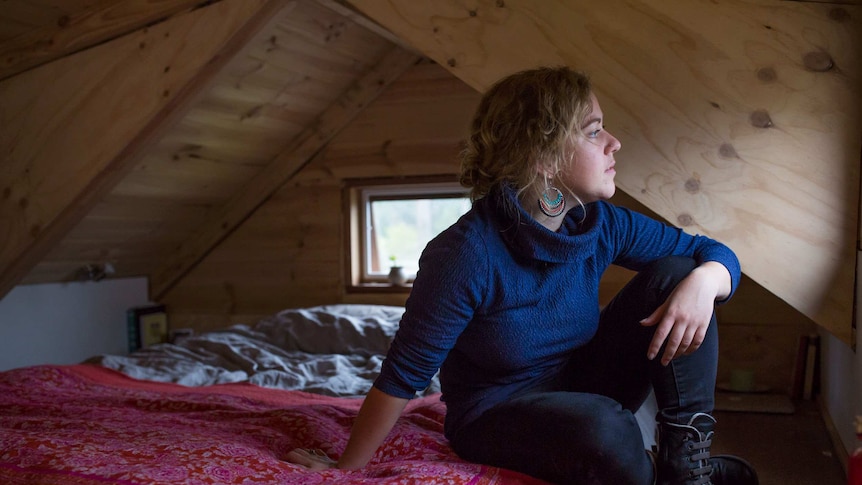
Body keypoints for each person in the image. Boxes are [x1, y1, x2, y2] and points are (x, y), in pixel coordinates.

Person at [286, 66, 759, 485]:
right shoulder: (465, 253)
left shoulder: (600, 223)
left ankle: (686, 469)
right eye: (594, 131)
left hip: (580, 381)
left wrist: (704, 281)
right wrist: (345, 467)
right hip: (495, 414)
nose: (614, 142)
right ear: (545, 157)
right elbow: (404, 374)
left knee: (680, 271)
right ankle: (657, 474)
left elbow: (714, 253)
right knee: (607, 427)